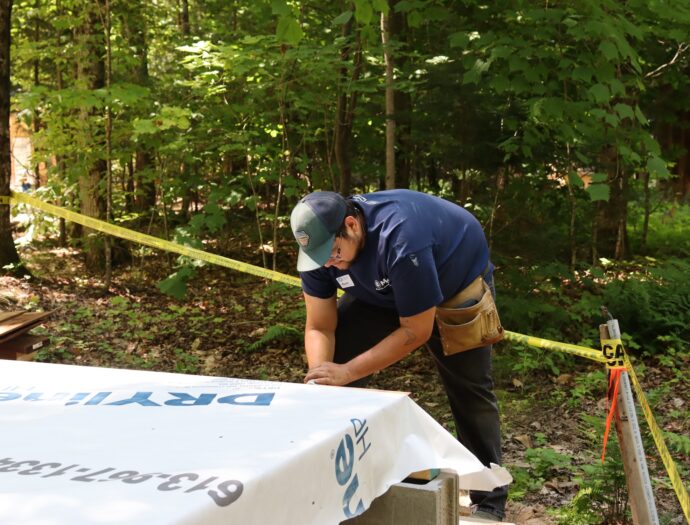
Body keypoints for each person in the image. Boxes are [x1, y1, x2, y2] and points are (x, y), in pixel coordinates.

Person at [289, 189, 508, 521]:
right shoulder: (319, 251)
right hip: (382, 293)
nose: (329, 263)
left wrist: (346, 372)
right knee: (332, 381)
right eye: (320, 258)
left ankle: (489, 500)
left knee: (470, 391)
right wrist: (324, 378)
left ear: (351, 225)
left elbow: (414, 332)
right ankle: (339, 481)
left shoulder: (402, 239)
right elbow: (319, 326)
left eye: (333, 252)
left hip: (455, 285)